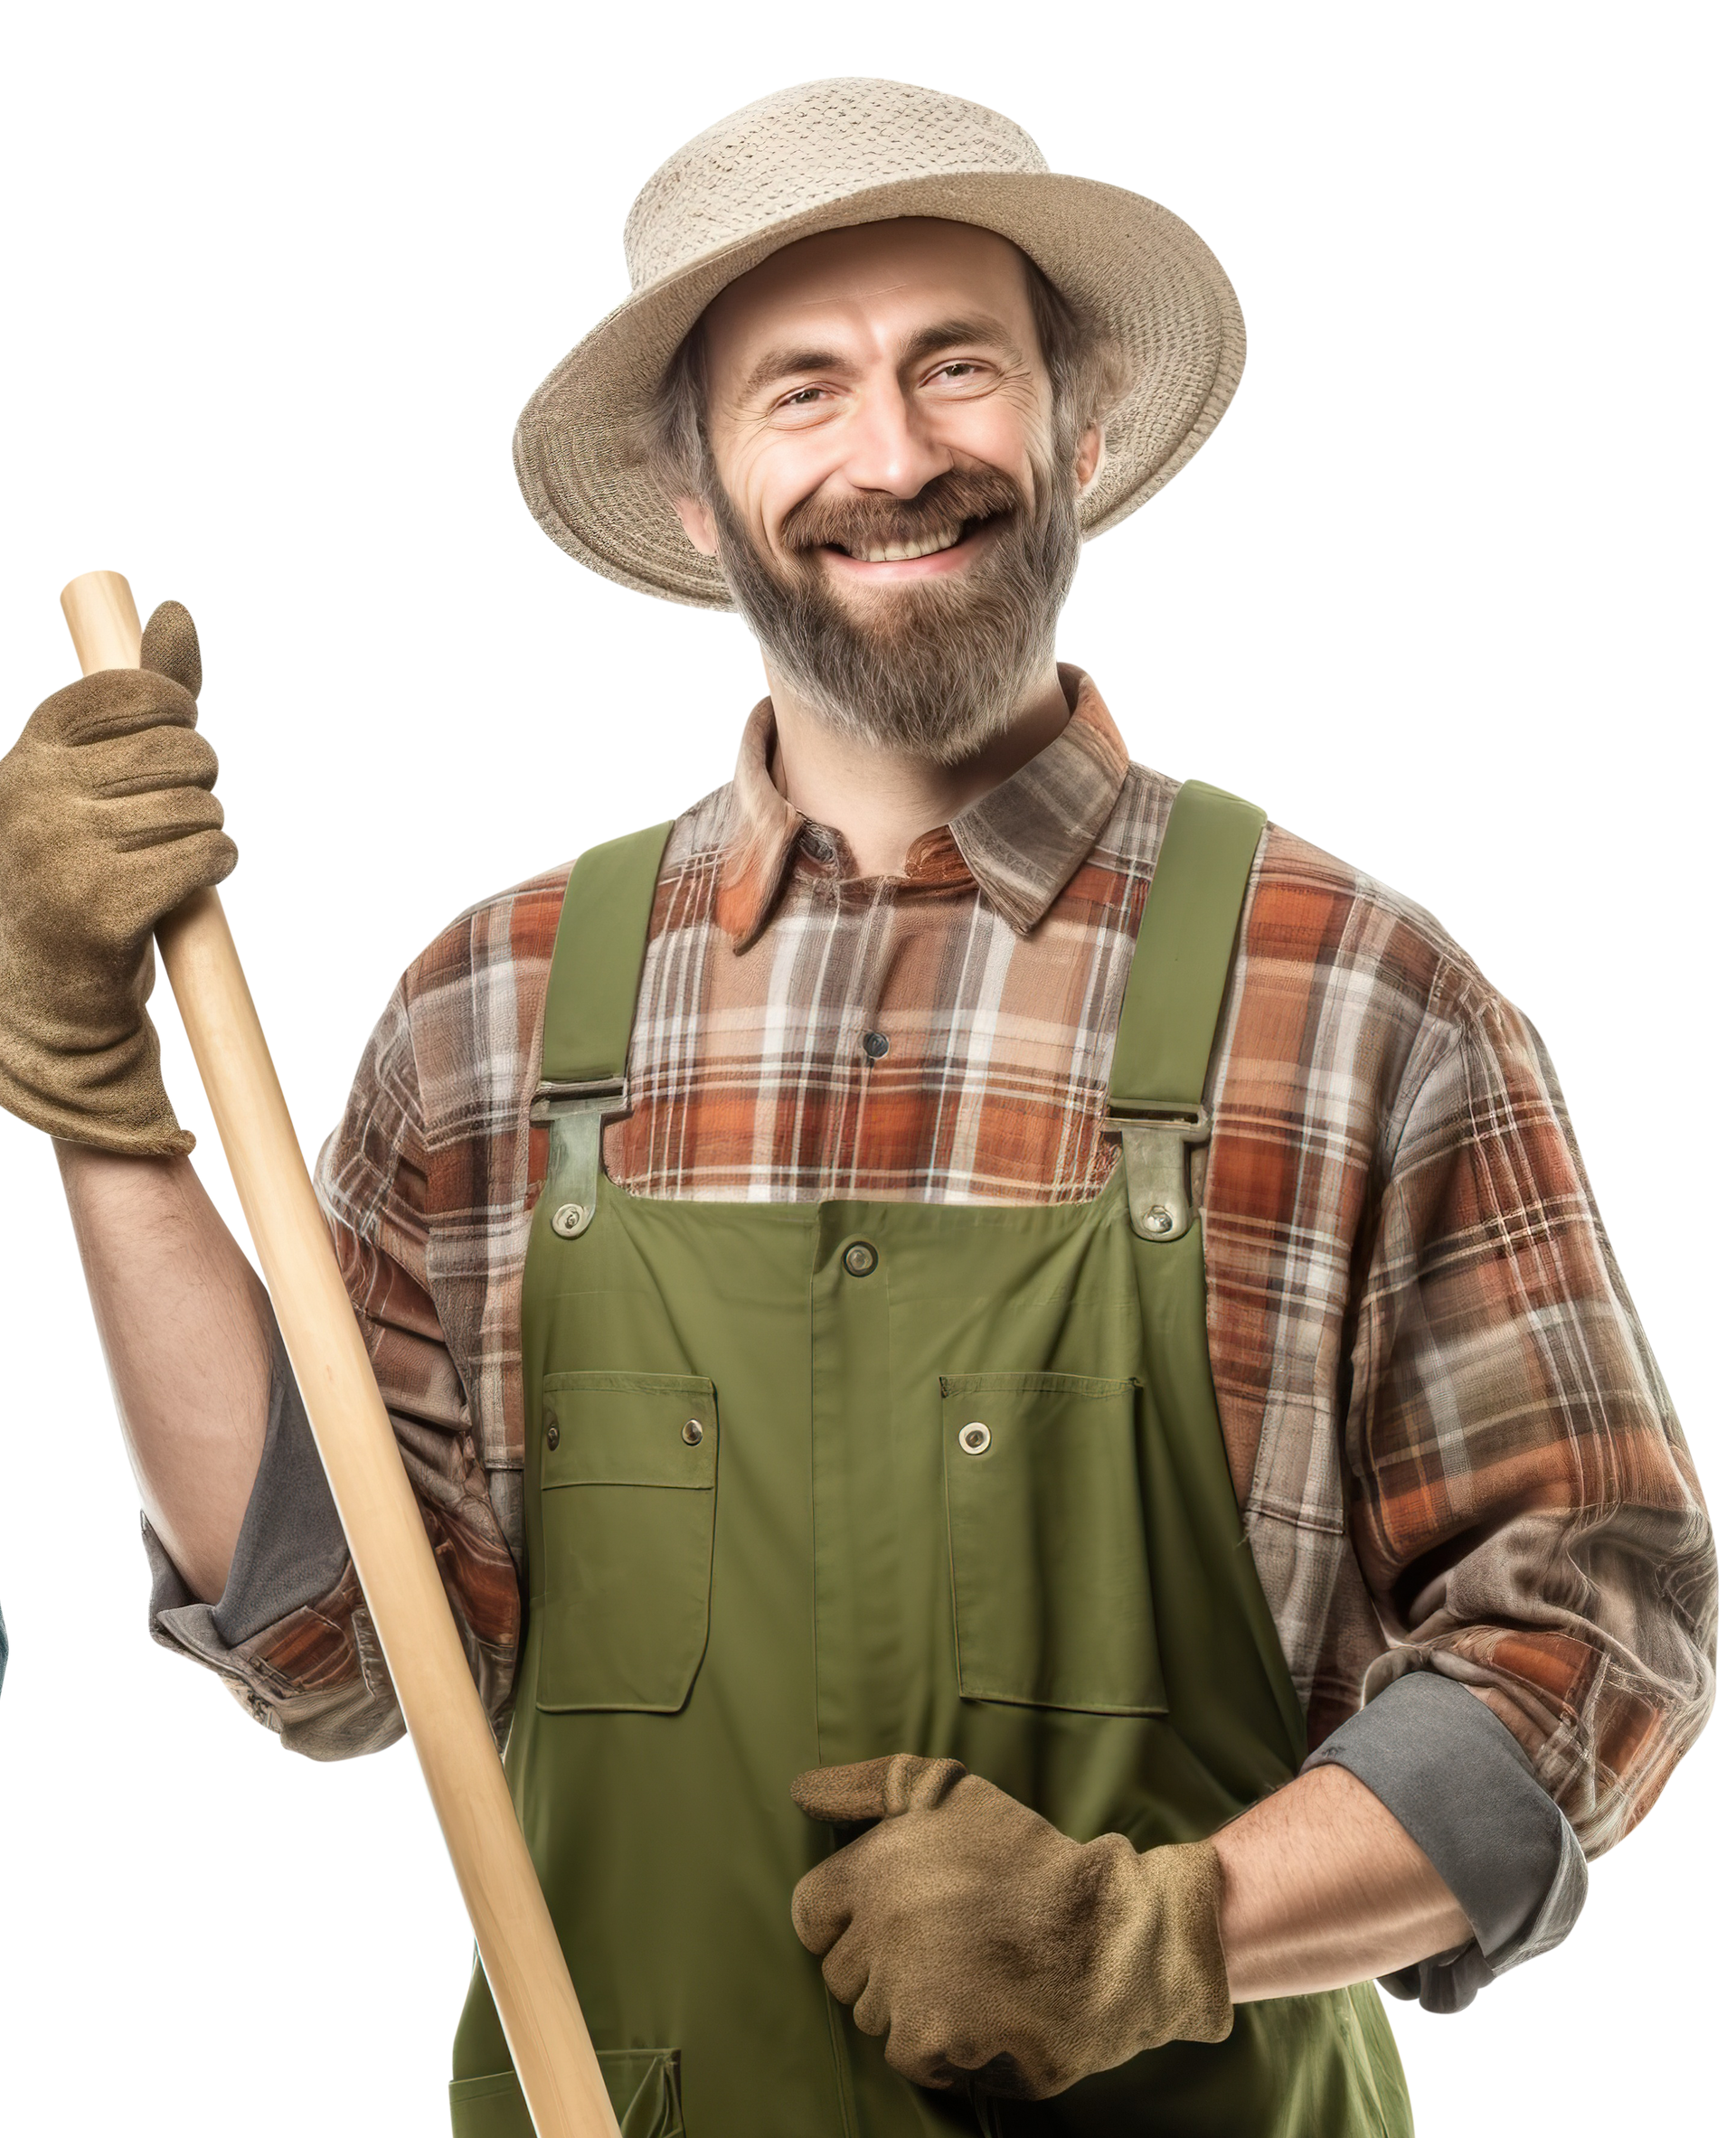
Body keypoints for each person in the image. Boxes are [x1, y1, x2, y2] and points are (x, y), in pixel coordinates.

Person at [0, 73, 1717, 2137]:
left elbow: (1590, 1631)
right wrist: (102, 1105)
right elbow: (336, 1644)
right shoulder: (495, 1010)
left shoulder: (1358, 996)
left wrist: (1158, 1933)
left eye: (955, 368)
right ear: (704, 492)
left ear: (1078, 428)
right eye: (801, 391)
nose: (893, 457)